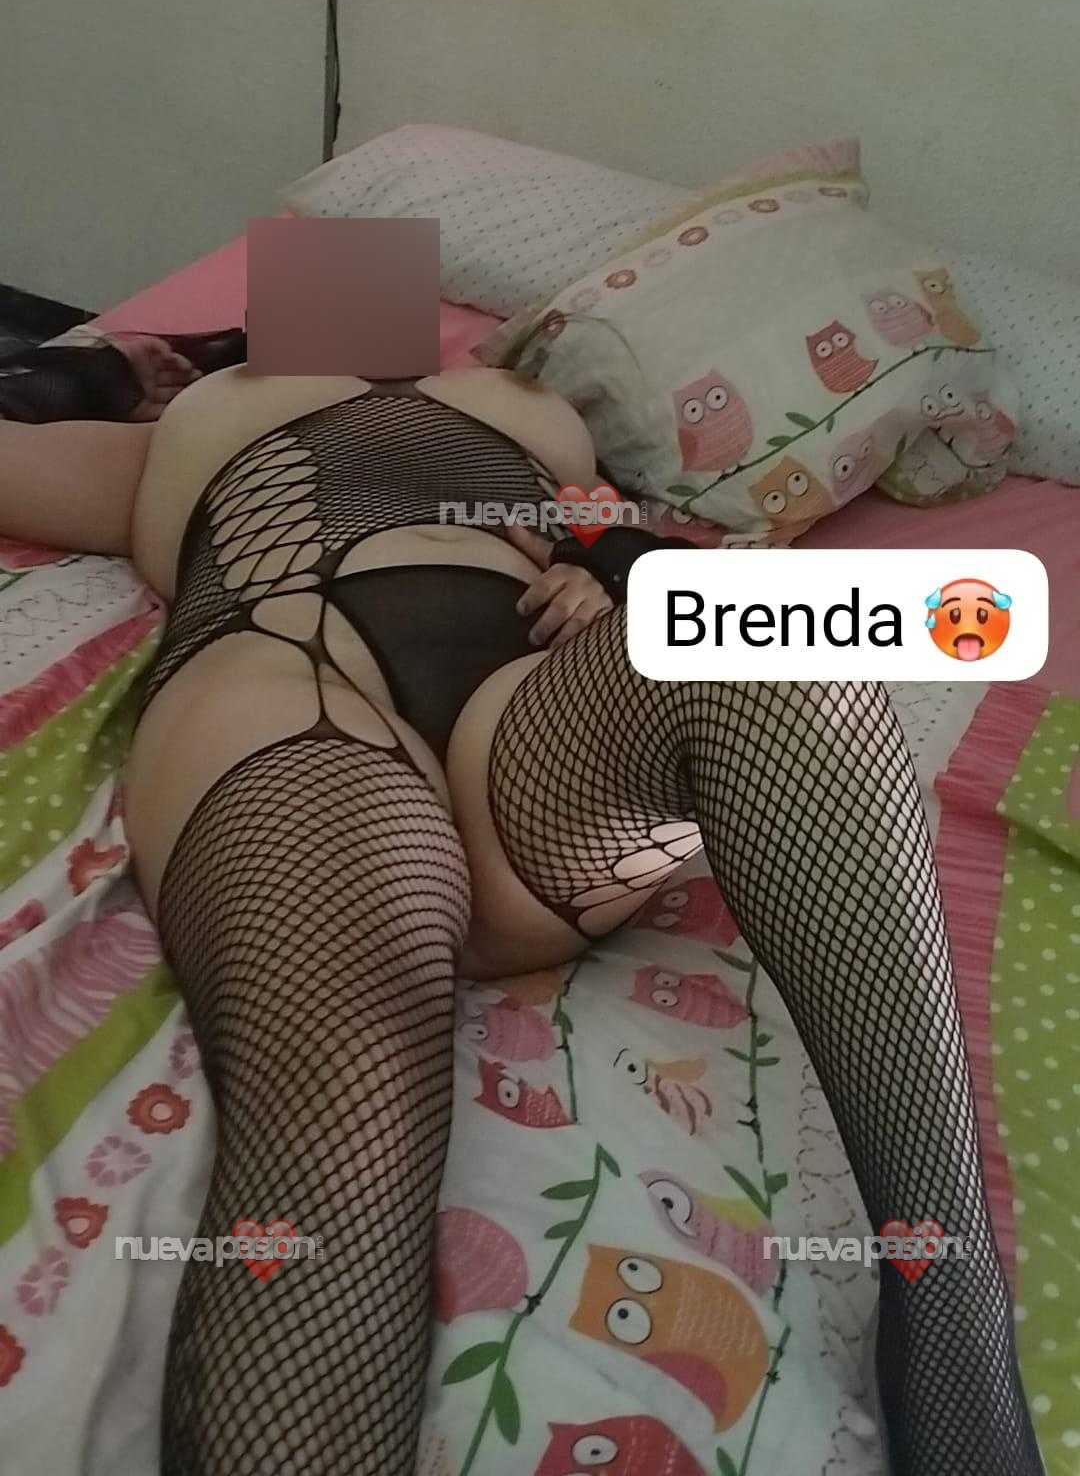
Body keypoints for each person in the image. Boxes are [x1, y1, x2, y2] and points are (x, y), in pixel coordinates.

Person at [0, 358, 1041, 1476]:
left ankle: (946, 1291)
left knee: (782, 645)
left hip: (534, 724)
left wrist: (623, 571)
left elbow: (644, 548)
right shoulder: (201, 408)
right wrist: (105, 365)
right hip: (287, 668)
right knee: (345, 1107)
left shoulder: (527, 400)